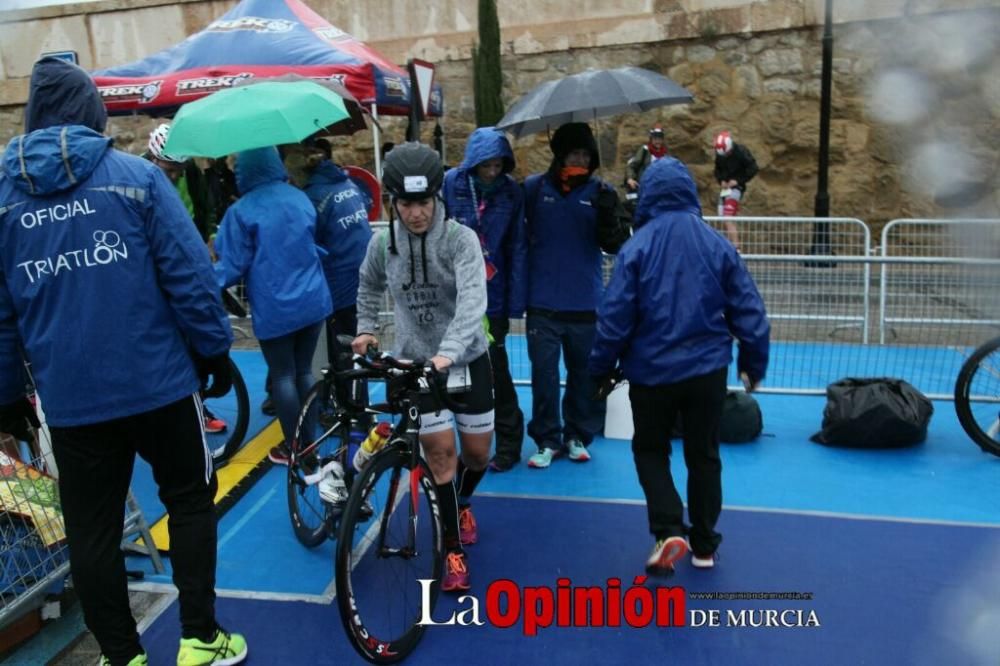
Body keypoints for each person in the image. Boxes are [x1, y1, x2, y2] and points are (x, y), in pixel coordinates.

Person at [0, 57, 246, 666]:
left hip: (73, 400)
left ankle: (121, 655)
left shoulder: (4, 202)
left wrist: (6, 393)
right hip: (158, 381)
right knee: (189, 499)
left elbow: (1, 314)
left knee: (92, 530)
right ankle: (199, 638)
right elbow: (188, 274)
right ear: (91, 111)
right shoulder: (135, 177)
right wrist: (212, 348)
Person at [588, 156, 770, 576]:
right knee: (704, 455)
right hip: (707, 371)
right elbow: (749, 308)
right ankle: (705, 545)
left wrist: (599, 368)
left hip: (651, 373)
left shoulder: (636, 247)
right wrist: (752, 362)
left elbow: (614, 317)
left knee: (650, 450)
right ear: (689, 193)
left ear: (648, 194)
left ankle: (668, 527)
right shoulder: (716, 244)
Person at [352, 142, 493, 592]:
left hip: (466, 360)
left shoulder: (459, 239)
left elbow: (473, 301)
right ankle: (451, 547)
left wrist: (447, 353)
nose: (417, 214)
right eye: (407, 204)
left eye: (424, 203)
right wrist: (367, 328)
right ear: (394, 202)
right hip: (417, 366)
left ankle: (463, 502)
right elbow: (369, 287)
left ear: (438, 198)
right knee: (440, 457)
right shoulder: (381, 244)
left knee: (477, 454)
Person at [212, 147, 333, 466]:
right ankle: (312, 441)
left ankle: (295, 448)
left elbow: (232, 265)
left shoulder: (241, 212)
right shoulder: (298, 196)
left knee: (282, 376)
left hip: (275, 305)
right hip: (313, 299)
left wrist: (201, 284)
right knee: (305, 371)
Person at [522, 122, 631, 469]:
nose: (580, 159)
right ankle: (547, 439)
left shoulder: (602, 192)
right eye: (574, 153)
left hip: (585, 304)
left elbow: (615, 245)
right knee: (544, 377)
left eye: (586, 154)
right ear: (560, 154)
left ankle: (577, 435)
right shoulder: (534, 189)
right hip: (542, 305)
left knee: (583, 377)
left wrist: (607, 215)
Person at [442, 127, 527, 472]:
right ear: (474, 162)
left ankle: (508, 444)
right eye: (487, 165)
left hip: (494, 297)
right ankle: (458, 444)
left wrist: (514, 303)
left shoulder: (511, 193)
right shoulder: (451, 183)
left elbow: (517, 245)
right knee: (452, 373)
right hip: (455, 296)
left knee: (497, 371)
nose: (492, 171)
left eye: (498, 165)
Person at [146, 124, 229, 434]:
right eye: (169, 171)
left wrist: (206, 238)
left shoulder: (189, 170)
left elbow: (203, 205)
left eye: (177, 171)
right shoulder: (140, 173)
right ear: (154, 160)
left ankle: (198, 402)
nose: (174, 177)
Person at [713, 130, 759, 251]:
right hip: (725, 189)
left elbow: (753, 168)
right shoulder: (720, 154)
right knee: (721, 217)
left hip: (737, 188)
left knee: (728, 217)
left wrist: (738, 181)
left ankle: (736, 247)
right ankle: (729, 246)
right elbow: (717, 170)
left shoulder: (741, 152)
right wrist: (721, 180)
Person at [624, 123, 668, 194]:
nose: (657, 141)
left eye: (660, 139)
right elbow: (631, 166)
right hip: (645, 187)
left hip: (660, 187)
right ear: (651, 139)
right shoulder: (645, 150)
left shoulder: (665, 153)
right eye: (655, 138)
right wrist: (630, 178)